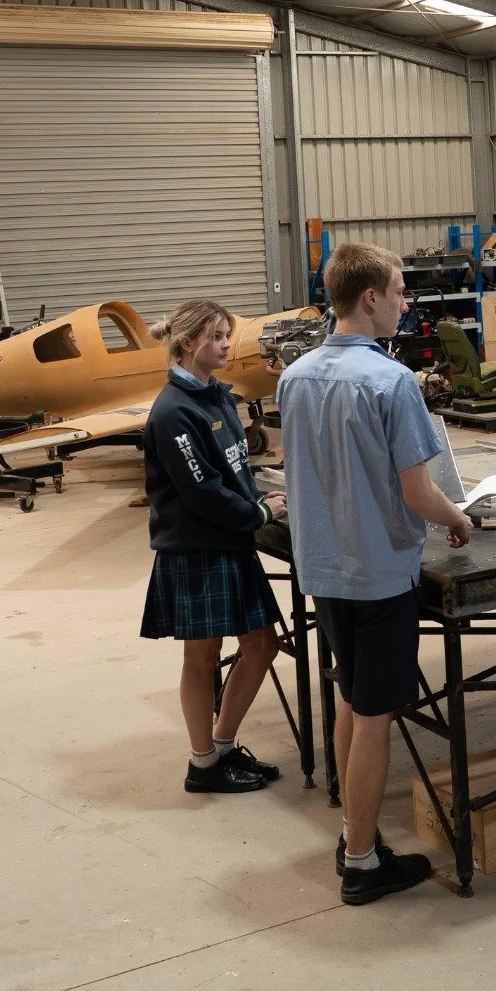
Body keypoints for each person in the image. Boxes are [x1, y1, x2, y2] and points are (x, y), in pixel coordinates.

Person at [276, 242, 473, 906]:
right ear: (369, 298)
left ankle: (351, 829)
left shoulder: (294, 375)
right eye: (398, 290)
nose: (404, 301)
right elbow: (419, 495)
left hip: (324, 569)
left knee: (352, 696)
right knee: (375, 714)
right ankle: (361, 861)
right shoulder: (392, 382)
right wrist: (460, 518)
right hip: (380, 574)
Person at [141, 299, 288, 795]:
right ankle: (202, 764)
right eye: (218, 336)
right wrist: (259, 514)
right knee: (202, 658)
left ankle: (221, 746)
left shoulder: (219, 396)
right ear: (189, 343)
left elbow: (234, 469)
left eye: (228, 334)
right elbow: (201, 490)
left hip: (229, 542)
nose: (228, 344)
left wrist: (257, 496)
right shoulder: (172, 412)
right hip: (197, 548)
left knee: (262, 644)